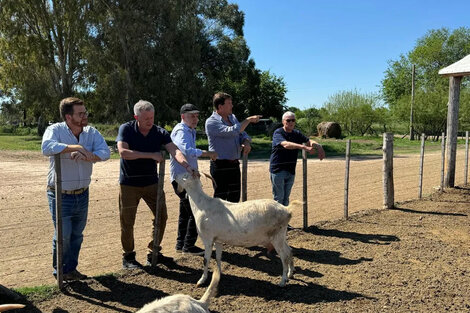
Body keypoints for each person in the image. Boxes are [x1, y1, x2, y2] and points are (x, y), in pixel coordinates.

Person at [117, 100, 196, 269]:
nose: (149, 121)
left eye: (152, 117)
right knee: (127, 221)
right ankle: (128, 257)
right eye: (145, 118)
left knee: (161, 216)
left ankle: (154, 251)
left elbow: (174, 150)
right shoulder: (127, 129)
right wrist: (151, 155)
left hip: (152, 183)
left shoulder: (159, 132)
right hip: (129, 183)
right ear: (136, 117)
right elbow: (123, 152)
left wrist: (187, 165)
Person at [42, 97, 110, 281]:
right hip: (60, 194)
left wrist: (89, 156)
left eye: (85, 112)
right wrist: (76, 147)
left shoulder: (91, 132)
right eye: (80, 114)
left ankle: (71, 270)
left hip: (82, 192)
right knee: (63, 235)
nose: (85, 116)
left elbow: (106, 152)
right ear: (68, 117)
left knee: (77, 235)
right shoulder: (55, 130)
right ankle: (60, 272)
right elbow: (47, 147)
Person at [170, 103, 218, 255]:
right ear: (183, 116)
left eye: (196, 116)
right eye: (192, 116)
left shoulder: (189, 130)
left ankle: (181, 244)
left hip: (185, 177)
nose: (195, 119)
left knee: (185, 211)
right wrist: (207, 153)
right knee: (193, 211)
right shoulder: (181, 131)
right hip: (182, 178)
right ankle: (188, 246)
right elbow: (186, 150)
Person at [205, 92, 261, 202]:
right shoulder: (211, 122)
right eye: (229, 103)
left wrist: (246, 141)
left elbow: (242, 133)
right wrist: (248, 120)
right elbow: (232, 131)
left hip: (234, 164)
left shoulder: (232, 117)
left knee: (234, 198)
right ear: (220, 107)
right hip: (220, 165)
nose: (232, 106)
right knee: (220, 201)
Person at [270, 111, 325, 208]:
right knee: (279, 198)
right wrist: (304, 148)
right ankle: (278, 223)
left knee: (286, 199)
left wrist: (319, 147)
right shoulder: (278, 132)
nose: (291, 122)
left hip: (290, 170)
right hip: (278, 170)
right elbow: (286, 144)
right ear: (283, 121)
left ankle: (284, 223)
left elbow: (309, 141)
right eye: (288, 120)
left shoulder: (296, 133)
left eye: (293, 120)